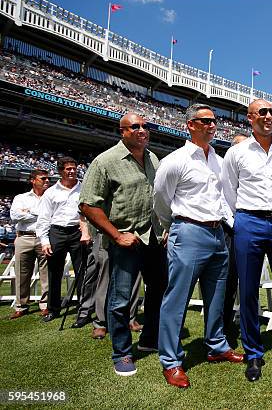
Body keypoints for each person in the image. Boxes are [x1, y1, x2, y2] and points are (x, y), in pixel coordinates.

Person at [154, 104, 243, 389]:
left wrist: (230, 224)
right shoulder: (175, 160)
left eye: (214, 121)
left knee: (217, 296)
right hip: (189, 230)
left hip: (218, 233)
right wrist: (176, 225)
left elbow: (221, 199)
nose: (211, 125)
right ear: (190, 125)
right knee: (177, 297)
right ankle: (171, 361)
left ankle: (217, 345)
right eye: (204, 121)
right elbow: (160, 199)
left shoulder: (217, 159)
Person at [221, 99, 272, 382]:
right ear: (250, 118)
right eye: (263, 112)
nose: (269, 116)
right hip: (248, 221)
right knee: (247, 290)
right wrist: (241, 221)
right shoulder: (236, 152)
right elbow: (228, 191)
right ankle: (253, 353)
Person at [79, 112, 167, 377]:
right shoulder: (104, 161)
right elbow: (87, 204)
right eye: (135, 127)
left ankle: (150, 339)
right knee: (119, 299)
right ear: (123, 131)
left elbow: (158, 197)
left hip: (152, 237)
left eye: (145, 126)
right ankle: (122, 353)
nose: (142, 130)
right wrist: (116, 235)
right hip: (124, 240)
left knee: (159, 291)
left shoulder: (153, 158)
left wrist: (163, 227)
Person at [36, 157, 91, 323]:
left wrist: (85, 232)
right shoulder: (51, 192)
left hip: (77, 232)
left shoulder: (84, 189)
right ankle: (53, 309)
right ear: (60, 171)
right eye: (68, 169)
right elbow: (44, 218)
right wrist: (44, 241)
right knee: (54, 272)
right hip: (57, 232)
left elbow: (88, 214)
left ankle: (84, 310)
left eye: (74, 168)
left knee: (82, 272)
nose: (72, 171)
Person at [89, 225, 143, 340]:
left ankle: (131, 318)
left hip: (136, 232)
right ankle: (101, 322)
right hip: (108, 232)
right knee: (104, 279)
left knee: (135, 277)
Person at [9, 169, 50, 319]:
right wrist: (38, 213)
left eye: (47, 179)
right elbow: (14, 215)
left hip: (44, 237)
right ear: (33, 180)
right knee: (22, 273)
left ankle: (45, 305)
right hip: (24, 237)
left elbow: (51, 217)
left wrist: (28, 212)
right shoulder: (21, 197)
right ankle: (21, 306)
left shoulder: (50, 197)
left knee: (46, 273)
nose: (47, 181)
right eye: (43, 178)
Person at [222, 132, 248, 343]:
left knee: (243, 280)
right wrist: (238, 224)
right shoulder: (224, 167)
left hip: (245, 229)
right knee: (227, 282)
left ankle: (233, 327)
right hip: (229, 230)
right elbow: (224, 203)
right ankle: (222, 329)